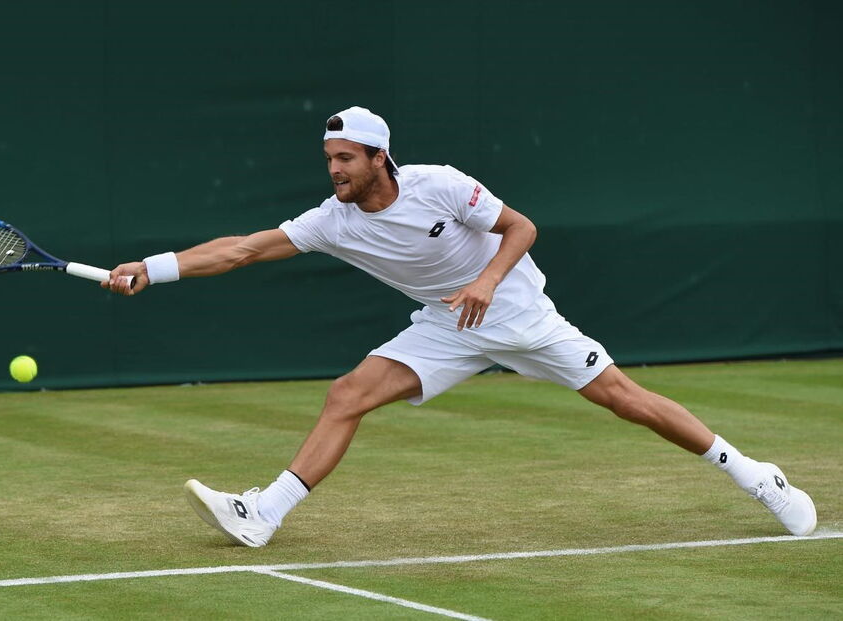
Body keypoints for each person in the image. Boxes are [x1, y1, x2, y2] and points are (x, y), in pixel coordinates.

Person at [105, 106, 817, 547]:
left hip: (520, 314)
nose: (335, 172)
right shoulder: (332, 220)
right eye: (329, 161)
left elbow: (521, 227)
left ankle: (759, 478)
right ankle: (264, 513)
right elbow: (242, 249)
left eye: (345, 159)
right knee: (348, 393)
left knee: (628, 401)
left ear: (379, 157)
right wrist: (154, 267)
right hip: (447, 326)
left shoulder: (440, 183)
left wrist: (486, 280)